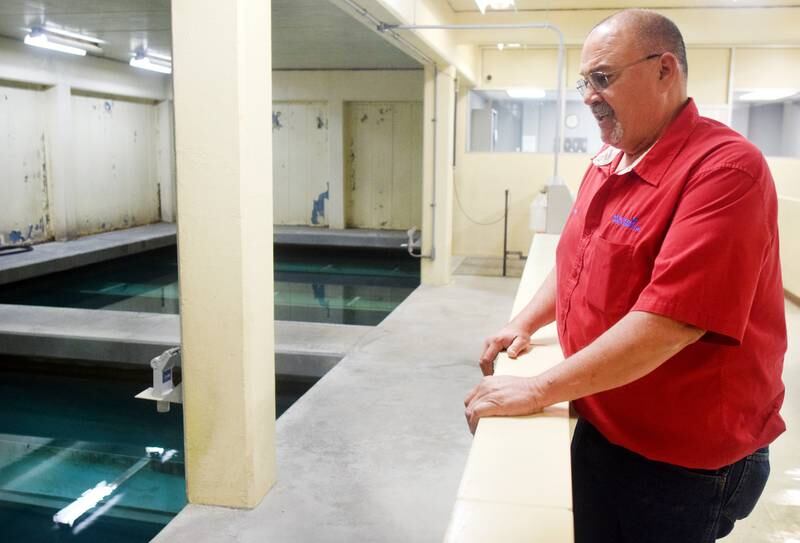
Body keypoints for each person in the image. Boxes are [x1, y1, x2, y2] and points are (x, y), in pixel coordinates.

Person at [463, 9, 787, 543]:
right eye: (584, 81)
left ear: (665, 71)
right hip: (608, 418)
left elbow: (669, 323)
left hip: (681, 459)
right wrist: (523, 321)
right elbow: (577, 260)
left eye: (603, 78)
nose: (589, 94)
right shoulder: (611, 160)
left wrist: (537, 389)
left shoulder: (725, 171)